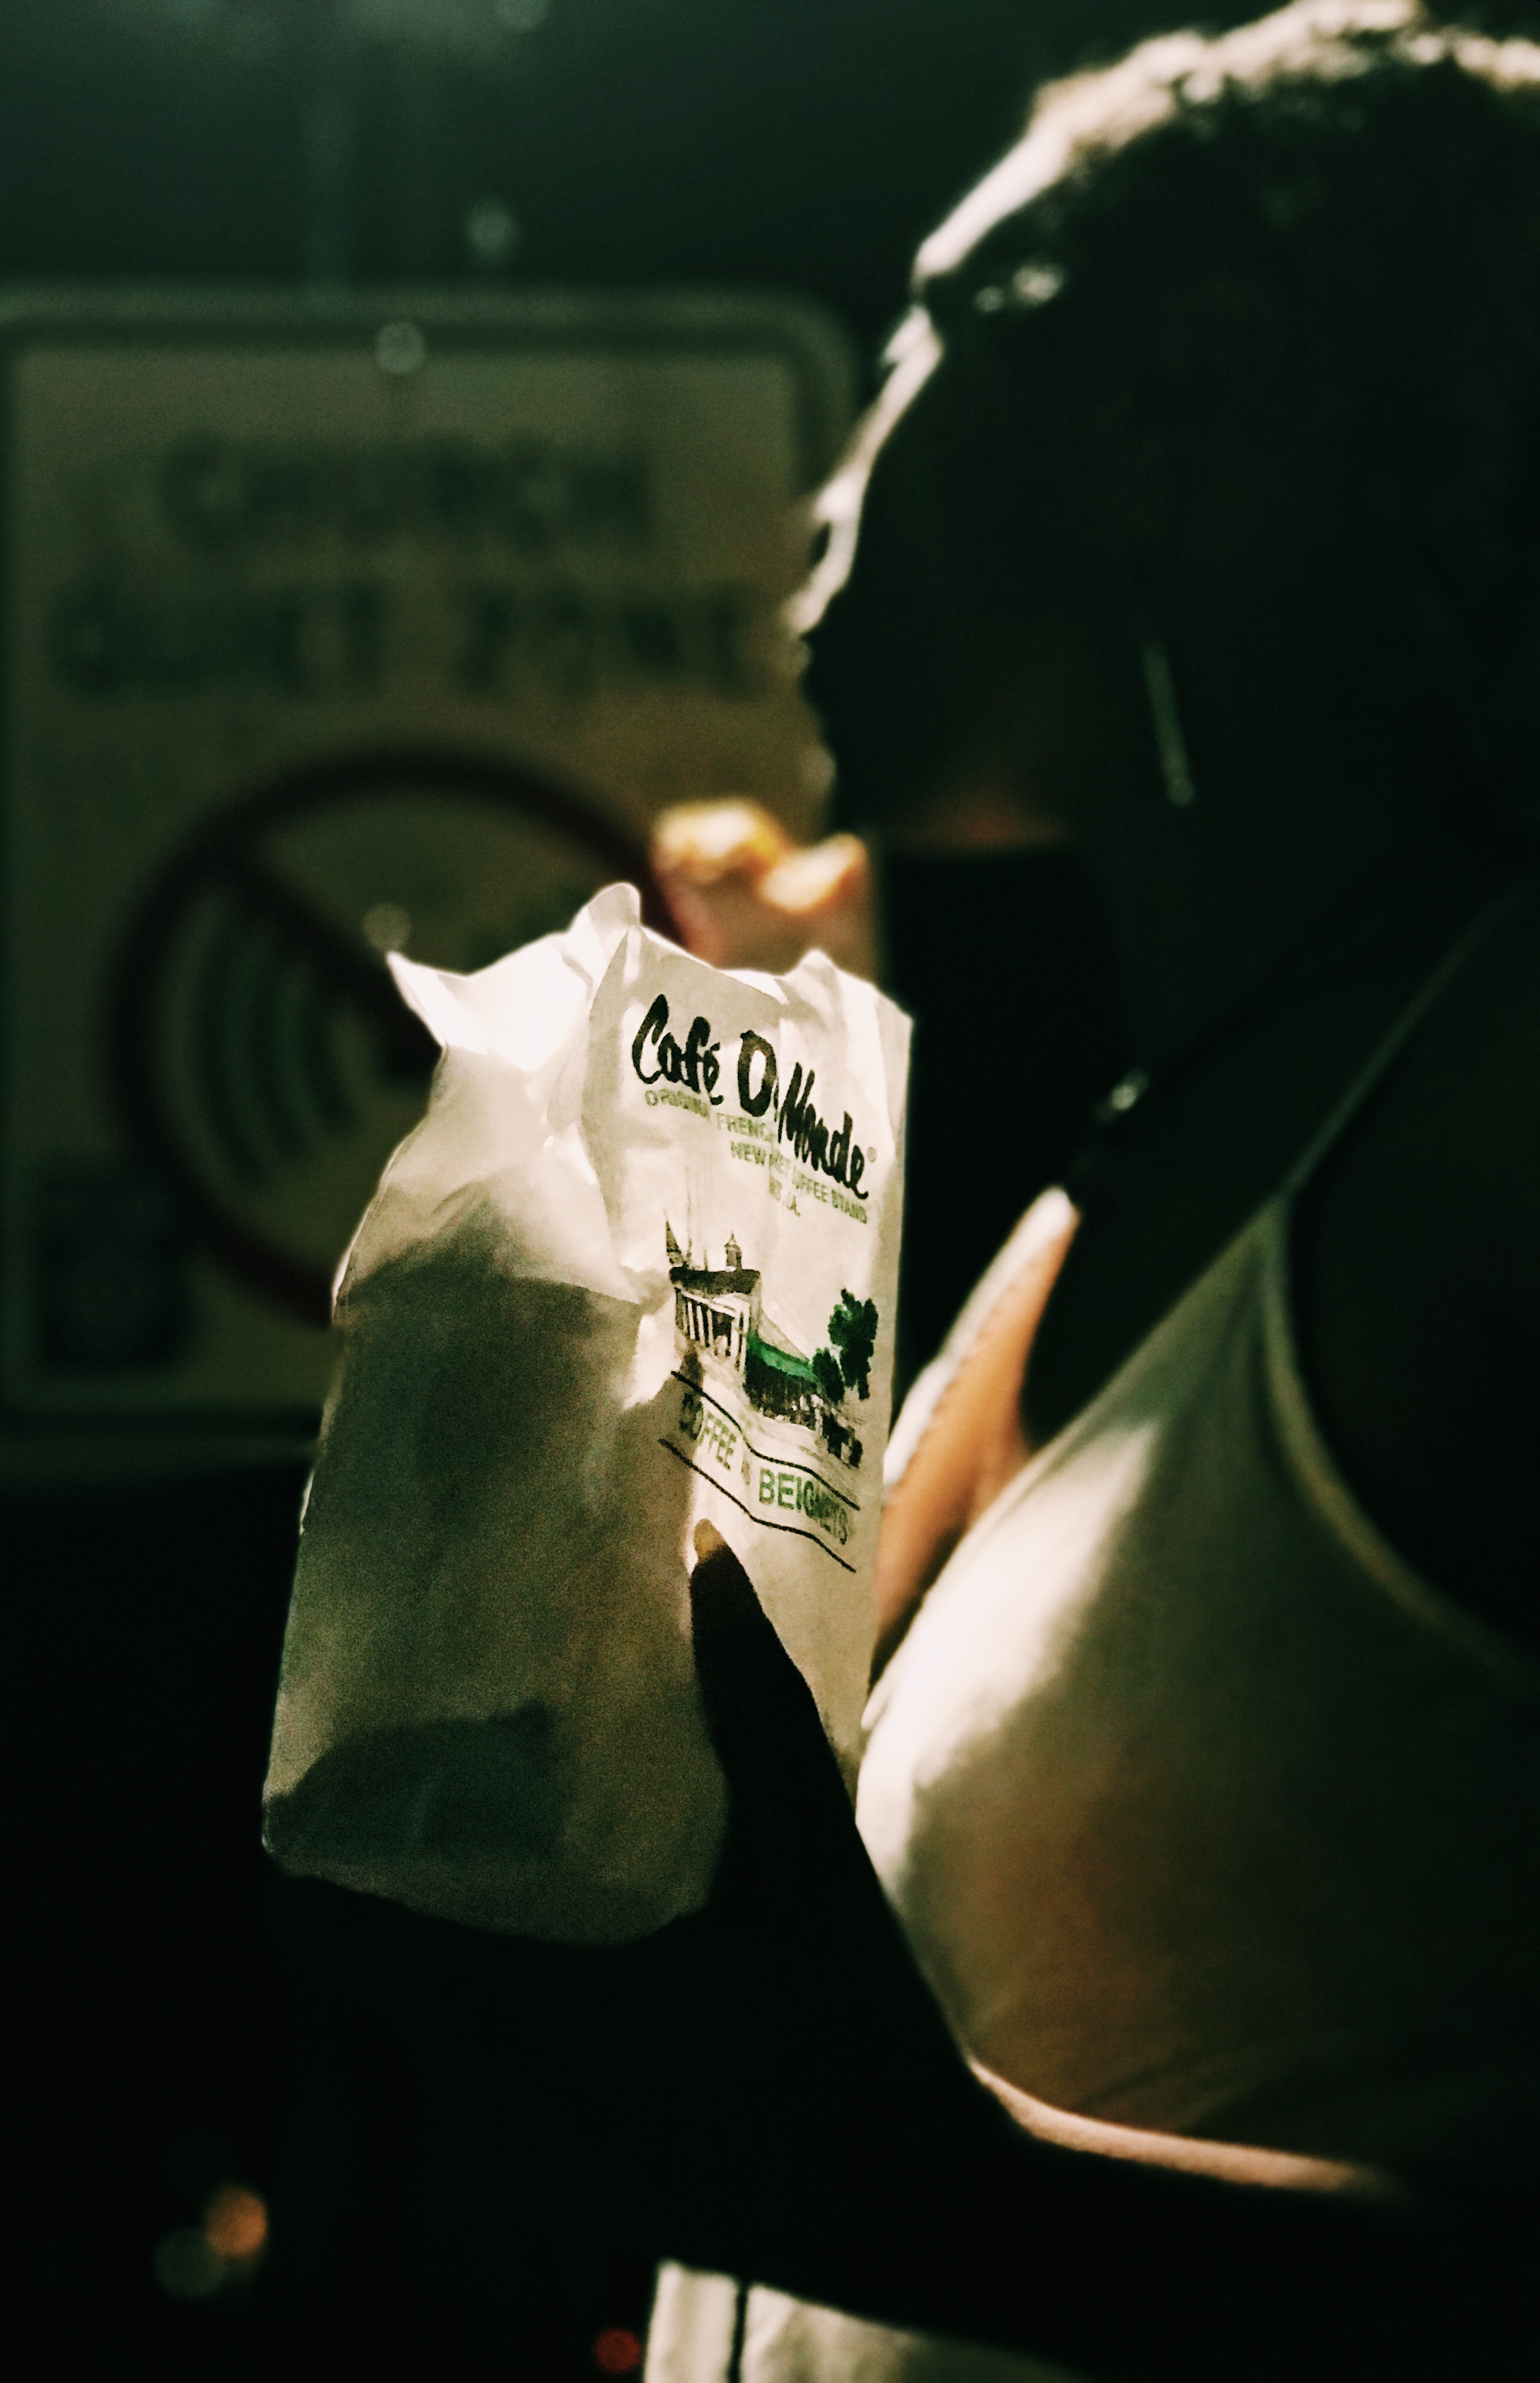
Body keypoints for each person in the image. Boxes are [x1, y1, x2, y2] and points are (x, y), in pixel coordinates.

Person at [623, 5, 1539, 2375]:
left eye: (941, 324)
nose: (830, 488)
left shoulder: (1491, 1110)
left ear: (1184, 400)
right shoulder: (1117, 1186)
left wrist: (886, 2181)